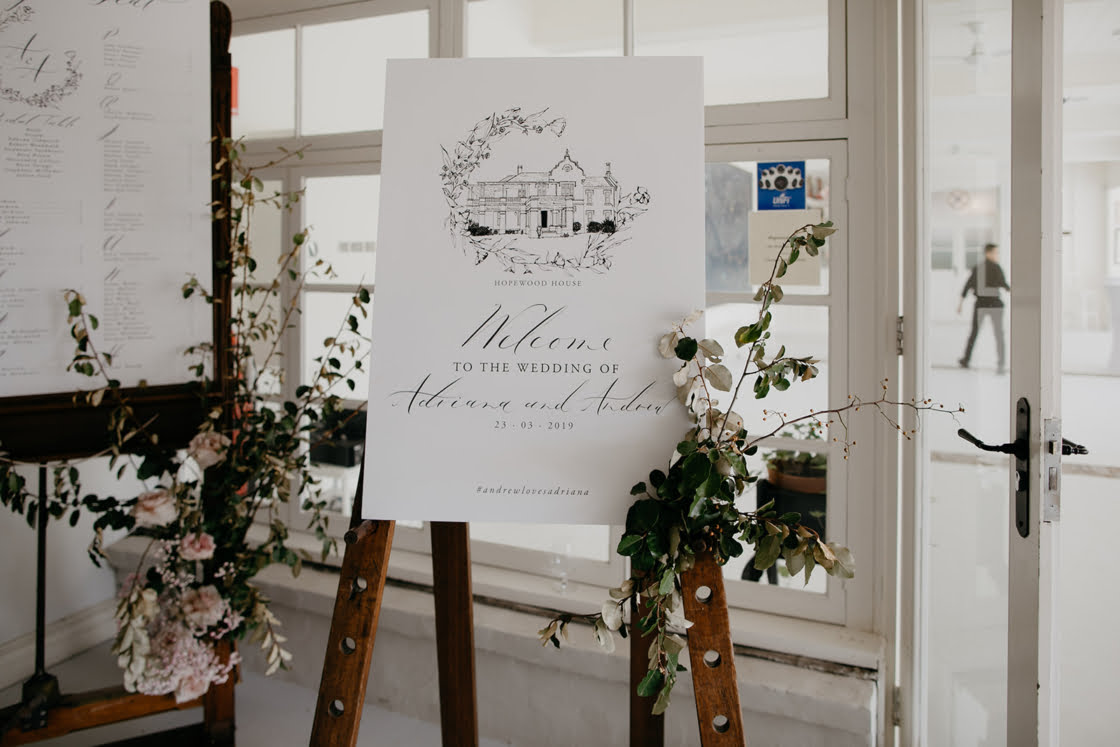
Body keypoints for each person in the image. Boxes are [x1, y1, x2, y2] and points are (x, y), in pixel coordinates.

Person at [958, 242, 1009, 372]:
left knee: (975, 332)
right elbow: (1003, 284)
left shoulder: (979, 268)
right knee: (998, 333)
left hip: (981, 304)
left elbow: (968, 285)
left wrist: (961, 303)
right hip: (994, 303)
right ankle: (1001, 362)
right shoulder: (995, 268)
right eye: (995, 252)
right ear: (988, 253)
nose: (997, 255)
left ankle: (966, 359)